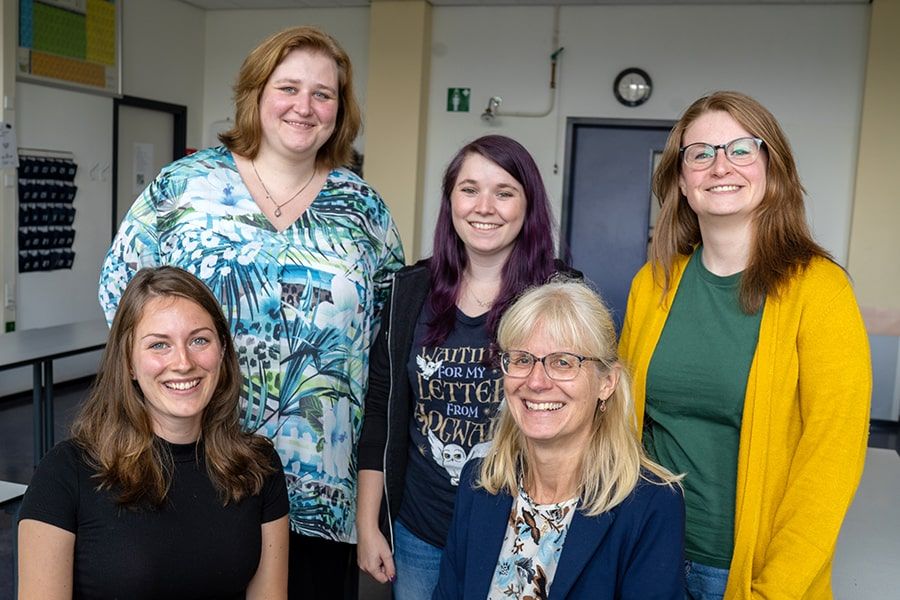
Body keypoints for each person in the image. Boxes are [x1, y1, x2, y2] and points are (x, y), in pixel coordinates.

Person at [98, 26, 405, 598]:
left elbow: (388, 339)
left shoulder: (363, 209)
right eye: (288, 87)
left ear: (340, 110)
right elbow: (122, 302)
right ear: (257, 95)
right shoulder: (185, 188)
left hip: (319, 489)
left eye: (324, 93)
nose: (305, 107)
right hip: (192, 470)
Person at [619, 91, 871, 599]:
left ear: (771, 169)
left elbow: (831, 459)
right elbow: (621, 420)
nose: (720, 166)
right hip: (645, 552)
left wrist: (774, 589)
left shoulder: (820, 291)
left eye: (740, 149)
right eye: (701, 153)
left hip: (745, 570)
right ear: (682, 183)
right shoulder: (654, 284)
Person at [356, 135, 570, 598]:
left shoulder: (560, 295)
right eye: (470, 189)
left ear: (527, 205)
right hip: (420, 532)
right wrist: (368, 522)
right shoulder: (409, 291)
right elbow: (380, 413)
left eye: (505, 192)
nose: (484, 206)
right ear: (450, 200)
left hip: (522, 528)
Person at [18, 266, 289, 599]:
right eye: (159, 345)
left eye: (199, 340)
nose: (183, 362)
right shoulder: (64, 474)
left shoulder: (258, 467)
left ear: (222, 351)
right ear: (129, 363)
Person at [433, 280, 684, 599]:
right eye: (523, 359)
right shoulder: (479, 484)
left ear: (606, 383)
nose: (536, 382)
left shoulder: (652, 506)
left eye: (563, 362)